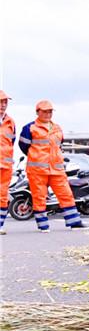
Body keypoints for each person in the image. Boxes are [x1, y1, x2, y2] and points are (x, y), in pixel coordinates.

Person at [18, 100, 89, 232]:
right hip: (38, 170)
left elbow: (58, 145)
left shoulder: (57, 128)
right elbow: (24, 146)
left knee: (66, 194)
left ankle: (74, 222)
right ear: (37, 112)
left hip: (57, 169)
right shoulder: (29, 128)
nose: (48, 114)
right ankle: (43, 225)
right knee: (39, 197)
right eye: (45, 111)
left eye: (50, 111)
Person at [0, 90, 15, 235]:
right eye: (0, 101)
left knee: (2, 196)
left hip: (5, 165)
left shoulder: (10, 122)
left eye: (5, 102)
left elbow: (12, 142)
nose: (3, 105)